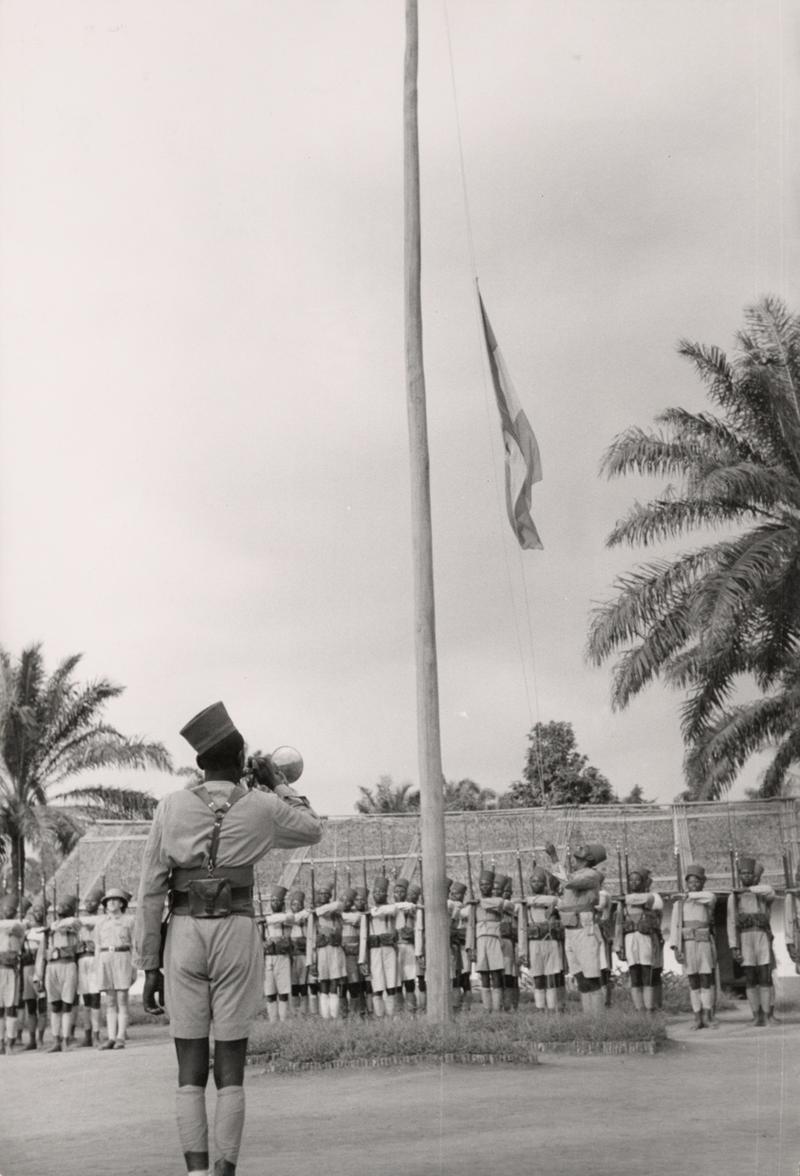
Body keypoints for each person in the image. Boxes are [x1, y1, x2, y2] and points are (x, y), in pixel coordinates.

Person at [134, 700, 322, 1176]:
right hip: (236, 930)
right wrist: (276, 781)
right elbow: (311, 829)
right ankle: (224, 1171)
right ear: (241, 761)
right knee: (232, 1065)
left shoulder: (171, 806)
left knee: (189, 1066)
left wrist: (149, 965)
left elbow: (152, 889)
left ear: (200, 762)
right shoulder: (261, 806)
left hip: (183, 934)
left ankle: (196, 1171)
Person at [555, 844, 607, 1015]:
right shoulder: (576, 874)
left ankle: (597, 1019)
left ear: (590, 858)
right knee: (580, 977)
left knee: (591, 977)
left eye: (583, 850)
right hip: (571, 928)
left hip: (584, 928)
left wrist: (554, 858)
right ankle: (589, 1017)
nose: (579, 849)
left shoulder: (592, 875)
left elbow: (568, 882)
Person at [727, 855, 775, 1027]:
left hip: (761, 937)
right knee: (750, 978)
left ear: (754, 876)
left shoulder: (762, 893)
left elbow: (770, 891)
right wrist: (734, 946)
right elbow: (731, 922)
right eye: (743, 874)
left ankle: (767, 1015)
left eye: (749, 874)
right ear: (739, 876)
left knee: (764, 975)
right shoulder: (734, 897)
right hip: (745, 939)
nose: (746, 877)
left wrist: (749, 890)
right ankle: (756, 1015)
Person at [669, 863, 717, 1030]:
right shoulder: (679, 905)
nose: (693, 884)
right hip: (687, 944)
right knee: (693, 981)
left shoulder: (706, 899)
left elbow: (710, 898)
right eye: (690, 882)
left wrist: (689, 895)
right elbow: (675, 926)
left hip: (703, 943)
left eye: (697, 881)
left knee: (706, 979)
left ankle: (707, 1015)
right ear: (686, 883)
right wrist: (676, 948)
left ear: (702, 883)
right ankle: (697, 1017)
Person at [463, 867, 515, 1013]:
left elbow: (506, 905)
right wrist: (469, 947)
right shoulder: (475, 904)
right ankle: (487, 1007)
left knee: (497, 974)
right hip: (480, 942)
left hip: (495, 940)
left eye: (487, 884)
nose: (484, 887)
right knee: (484, 975)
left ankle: (497, 1007)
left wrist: (480, 902)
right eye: (481, 884)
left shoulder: (497, 901)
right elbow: (470, 926)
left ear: (492, 886)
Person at [613, 867, 663, 1013]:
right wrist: (618, 945)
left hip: (646, 939)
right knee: (634, 974)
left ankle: (649, 1009)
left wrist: (627, 898)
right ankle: (639, 1009)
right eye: (631, 880)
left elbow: (653, 901)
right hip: (629, 939)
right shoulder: (623, 903)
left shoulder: (650, 897)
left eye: (637, 880)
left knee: (647, 972)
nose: (634, 883)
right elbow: (618, 924)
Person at [35, 894, 80, 1052]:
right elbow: (42, 953)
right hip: (52, 966)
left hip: (68, 964)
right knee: (54, 1005)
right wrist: (38, 975)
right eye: (60, 906)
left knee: (67, 1004)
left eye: (65, 906)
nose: (61, 909)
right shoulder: (50, 928)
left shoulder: (73, 923)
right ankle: (56, 1040)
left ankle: (66, 1039)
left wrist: (54, 926)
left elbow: (73, 923)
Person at [517, 867, 565, 1013]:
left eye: (539, 881)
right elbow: (522, 928)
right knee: (537, 976)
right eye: (533, 881)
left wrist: (535, 901)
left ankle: (552, 1008)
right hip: (534, 942)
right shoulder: (525, 904)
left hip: (550, 941)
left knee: (551, 976)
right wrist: (522, 951)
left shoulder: (552, 900)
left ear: (545, 884)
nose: (535, 884)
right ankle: (540, 1007)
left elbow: (561, 904)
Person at [96, 887, 136, 1049]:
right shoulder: (101, 923)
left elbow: (134, 944)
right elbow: (98, 945)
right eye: (108, 901)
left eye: (115, 900)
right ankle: (111, 1037)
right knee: (110, 1000)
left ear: (121, 903)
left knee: (122, 998)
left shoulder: (129, 921)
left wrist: (134, 966)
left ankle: (121, 1037)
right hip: (106, 959)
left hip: (122, 957)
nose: (111, 903)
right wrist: (97, 965)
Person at [309, 883, 346, 1019]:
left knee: (334, 984)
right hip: (321, 952)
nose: (323, 896)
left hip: (335, 951)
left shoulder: (335, 913)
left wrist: (319, 909)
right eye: (320, 894)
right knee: (323, 984)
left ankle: (334, 1015)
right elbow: (311, 939)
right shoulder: (314, 917)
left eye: (326, 894)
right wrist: (311, 960)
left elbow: (339, 904)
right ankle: (325, 1016)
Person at [260, 885, 294, 1022]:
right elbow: (260, 938)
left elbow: (286, 918)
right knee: (270, 991)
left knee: (283, 991)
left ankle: (283, 1020)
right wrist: (264, 943)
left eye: (277, 900)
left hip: (282, 956)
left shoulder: (287, 916)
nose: (275, 903)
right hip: (269, 957)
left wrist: (266, 920)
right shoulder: (266, 919)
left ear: (282, 903)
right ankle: (273, 1021)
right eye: (272, 900)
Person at [76, 888, 103, 1046]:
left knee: (95, 999)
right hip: (82, 960)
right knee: (85, 1000)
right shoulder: (79, 921)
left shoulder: (101, 919)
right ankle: (87, 1034)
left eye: (92, 901)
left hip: (95, 959)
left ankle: (96, 1034)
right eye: (86, 901)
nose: (88, 904)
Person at [19, 900, 48, 1050]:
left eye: (40, 911)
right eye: (35, 911)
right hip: (28, 968)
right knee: (30, 1006)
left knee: (42, 1006)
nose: (37, 914)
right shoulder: (26, 933)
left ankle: (41, 1038)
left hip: (43, 969)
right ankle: (32, 1039)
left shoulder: (47, 931)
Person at [0, 895, 25, 1053]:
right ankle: (0, 1042)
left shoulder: (18, 926)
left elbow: (16, 929)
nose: (8, 911)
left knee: (11, 1007)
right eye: (5, 908)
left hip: (11, 970)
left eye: (11, 909)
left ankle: (10, 1041)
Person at [340, 887, 368, 1017]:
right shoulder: (339, 914)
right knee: (342, 984)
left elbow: (356, 918)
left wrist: (340, 916)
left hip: (353, 953)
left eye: (348, 901)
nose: (345, 903)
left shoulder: (356, 915)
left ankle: (358, 1011)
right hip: (340, 953)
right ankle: (344, 1011)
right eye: (343, 900)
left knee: (356, 983)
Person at [447, 881, 472, 1012]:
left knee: (465, 978)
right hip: (455, 946)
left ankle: (466, 1006)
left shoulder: (466, 908)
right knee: (456, 976)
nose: (453, 895)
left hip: (464, 946)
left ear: (463, 895)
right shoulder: (452, 906)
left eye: (457, 893)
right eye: (452, 892)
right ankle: (456, 1005)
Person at [286, 889, 312, 1016]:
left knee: (304, 983)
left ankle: (304, 1010)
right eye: (294, 904)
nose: (297, 906)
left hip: (304, 953)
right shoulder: (288, 917)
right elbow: (292, 919)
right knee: (294, 983)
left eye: (299, 904)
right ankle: (295, 1010)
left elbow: (305, 914)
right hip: (292, 954)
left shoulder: (306, 915)